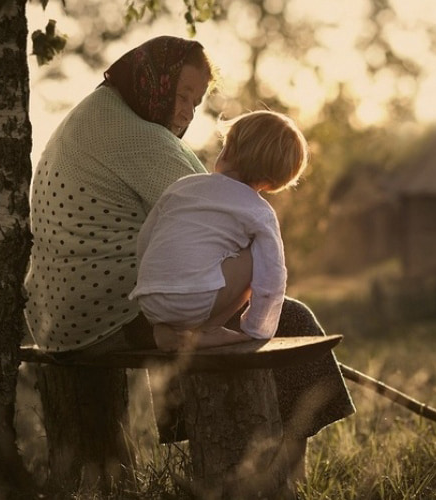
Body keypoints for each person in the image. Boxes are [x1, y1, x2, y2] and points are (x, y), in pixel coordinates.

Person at [23, 35, 354, 481]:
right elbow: (224, 220)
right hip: (107, 317)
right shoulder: (140, 139)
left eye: (196, 103)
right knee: (288, 318)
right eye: (182, 95)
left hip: (57, 315)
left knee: (205, 297)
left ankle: (247, 457)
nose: (186, 112)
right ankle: (278, 475)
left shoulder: (98, 113)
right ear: (153, 81)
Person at [129, 110, 308, 352]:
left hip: (149, 299)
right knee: (256, 257)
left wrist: (151, 281)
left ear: (228, 151)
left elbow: (145, 240)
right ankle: (208, 330)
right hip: (195, 301)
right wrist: (258, 329)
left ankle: (166, 330)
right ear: (272, 182)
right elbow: (272, 276)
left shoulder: (182, 187)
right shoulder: (259, 211)